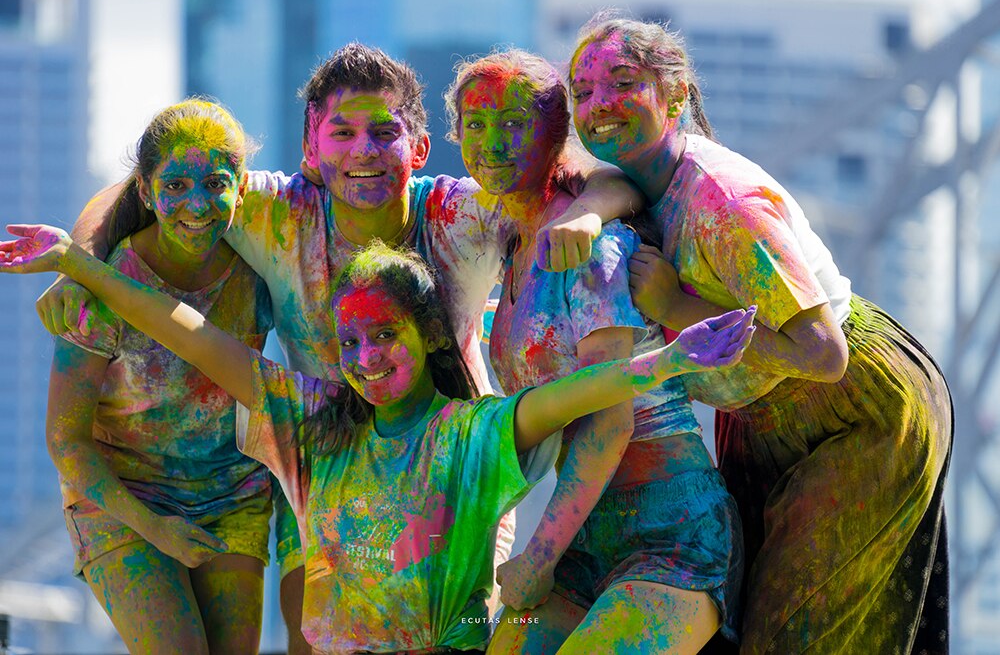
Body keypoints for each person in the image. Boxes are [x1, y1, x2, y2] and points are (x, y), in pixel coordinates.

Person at [34, 43, 642, 653]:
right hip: (324, 463)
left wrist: (587, 216)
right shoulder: (279, 212)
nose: (364, 152)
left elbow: (596, 180)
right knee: (316, 642)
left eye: (385, 133)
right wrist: (77, 265)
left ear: (420, 149)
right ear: (312, 152)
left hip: (451, 470)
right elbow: (146, 187)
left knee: (448, 641)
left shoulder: (460, 215)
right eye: (343, 133)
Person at [2, 228, 756, 653]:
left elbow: (571, 395)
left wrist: (671, 360)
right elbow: (192, 334)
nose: (366, 359)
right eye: (349, 342)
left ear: (427, 333)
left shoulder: (468, 436)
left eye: (383, 336)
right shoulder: (311, 425)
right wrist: (77, 262)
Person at [569, 13, 953, 654]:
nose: (599, 105)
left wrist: (678, 304)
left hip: (853, 409)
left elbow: (824, 354)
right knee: (737, 626)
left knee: (791, 633)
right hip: (760, 413)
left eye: (622, 82)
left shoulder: (725, 205)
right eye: (582, 92)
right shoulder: (638, 180)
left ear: (677, 94)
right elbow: (598, 180)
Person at [446, 50, 745, 653]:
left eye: (513, 123)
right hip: (585, 536)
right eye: (475, 125)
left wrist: (536, 556)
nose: (493, 144)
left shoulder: (589, 245)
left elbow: (610, 421)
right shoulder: (510, 236)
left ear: (555, 133)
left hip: (670, 533)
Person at [43, 100, 273, 653]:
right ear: (145, 191)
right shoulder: (106, 285)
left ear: (240, 188)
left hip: (232, 496)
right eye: (175, 186)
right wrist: (152, 527)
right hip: (122, 497)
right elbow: (65, 440)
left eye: (215, 183)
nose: (197, 204)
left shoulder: (260, 265)